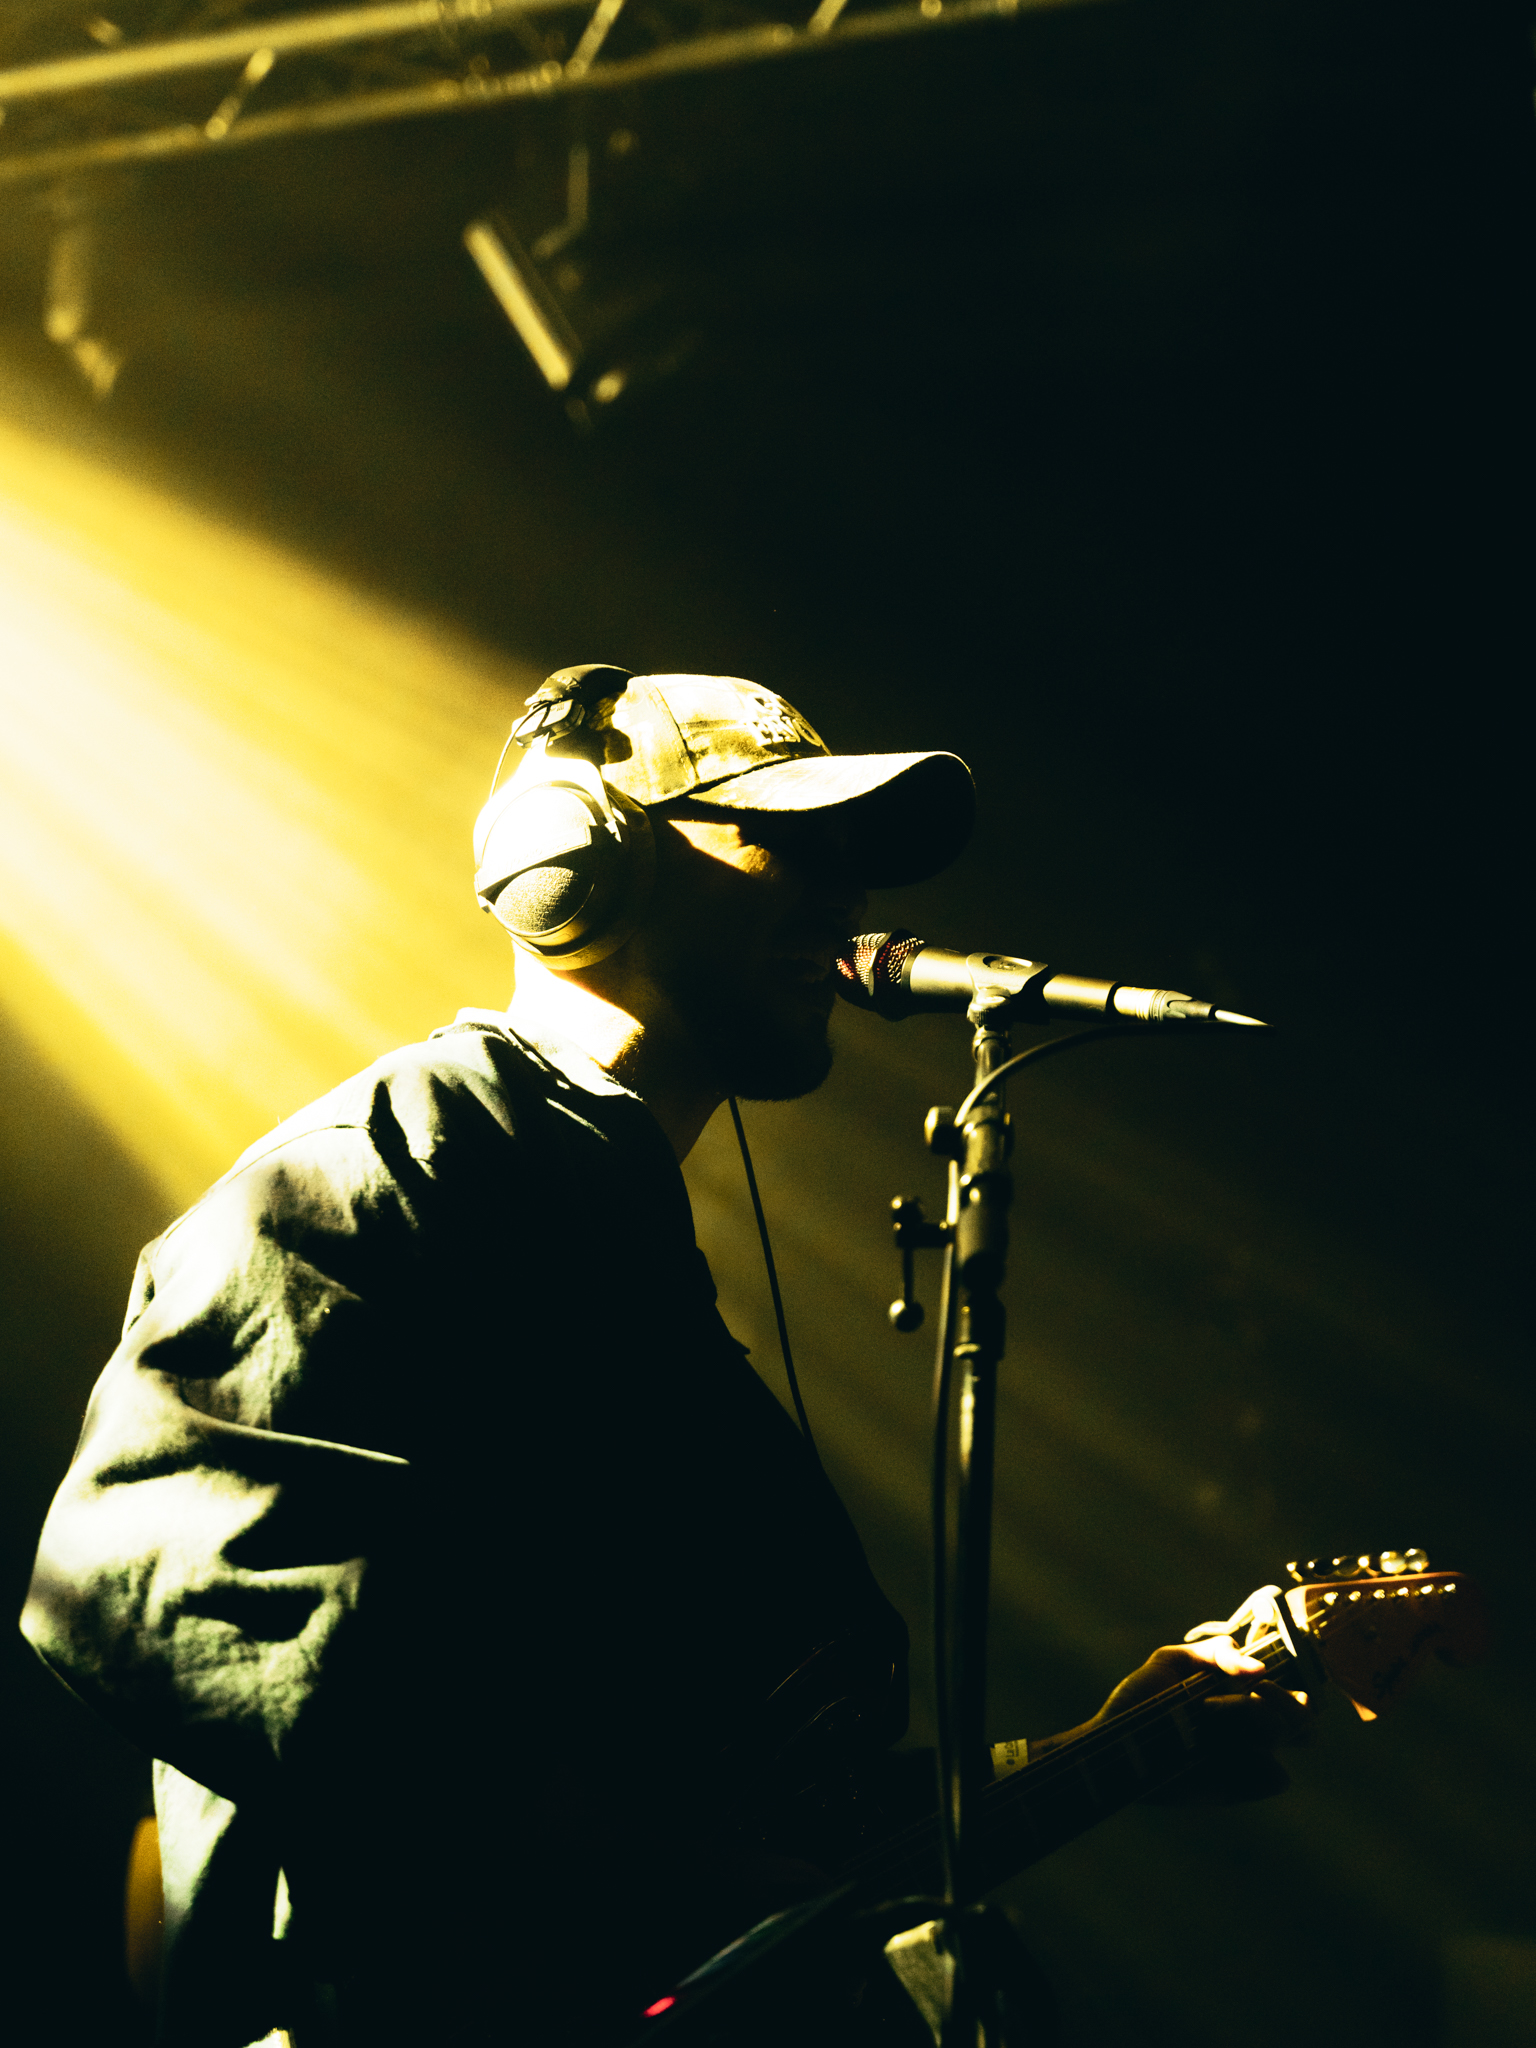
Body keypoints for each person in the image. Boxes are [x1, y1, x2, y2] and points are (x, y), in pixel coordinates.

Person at [21, 669, 1305, 2048]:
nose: (848, 903)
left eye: (853, 864)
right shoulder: (388, 1170)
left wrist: (1103, 1748)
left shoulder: (617, 1243)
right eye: (789, 845)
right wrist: (598, 1853)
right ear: (573, 865)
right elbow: (143, 1581)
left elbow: (748, 1838)